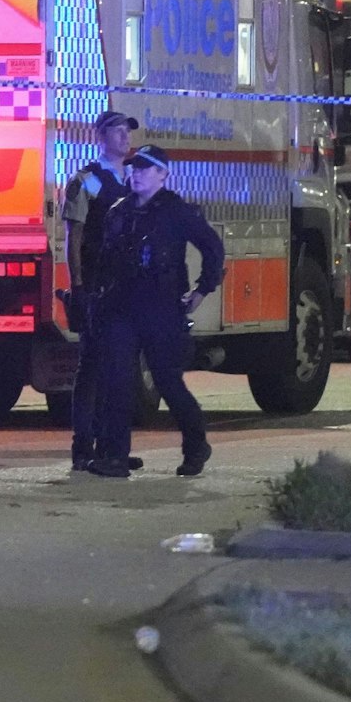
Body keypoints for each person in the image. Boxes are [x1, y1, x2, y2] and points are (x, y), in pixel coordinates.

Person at [88, 144, 225, 479]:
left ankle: (196, 445)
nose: (137, 174)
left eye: (145, 168)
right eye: (134, 168)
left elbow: (212, 247)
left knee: (167, 381)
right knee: (118, 381)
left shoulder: (176, 211)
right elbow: (104, 260)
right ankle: (116, 457)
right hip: (122, 308)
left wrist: (202, 290)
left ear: (163, 174)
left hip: (161, 309)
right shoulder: (119, 211)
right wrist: (97, 299)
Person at [58, 110, 143, 473]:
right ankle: (83, 447)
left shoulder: (134, 178)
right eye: (117, 131)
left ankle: (111, 447)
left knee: (119, 368)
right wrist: (78, 285)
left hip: (125, 286)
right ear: (101, 137)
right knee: (92, 367)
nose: (125, 137)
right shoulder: (88, 180)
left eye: (127, 131)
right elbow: (74, 236)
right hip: (96, 285)